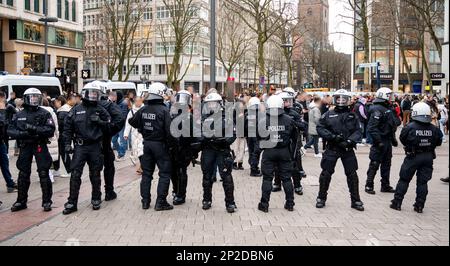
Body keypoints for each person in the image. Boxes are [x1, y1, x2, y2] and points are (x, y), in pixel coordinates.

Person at [62, 86, 111, 215]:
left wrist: (100, 122)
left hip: (95, 146)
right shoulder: (76, 109)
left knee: (95, 174)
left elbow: (109, 127)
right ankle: (72, 202)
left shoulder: (101, 110)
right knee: (75, 175)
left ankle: (96, 198)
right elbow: (67, 128)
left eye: (96, 94)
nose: (93, 96)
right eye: (91, 93)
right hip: (80, 146)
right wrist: (67, 144)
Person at [315, 89, 365, 211]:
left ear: (348, 100)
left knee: (352, 175)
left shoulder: (353, 115)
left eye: (344, 98)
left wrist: (350, 141)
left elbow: (358, 131)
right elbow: (320, 128)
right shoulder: (328, 114)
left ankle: (356, 200)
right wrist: (333, 137)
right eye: (339, 98)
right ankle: (321, 198)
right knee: (325, 173)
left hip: (347, 148)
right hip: (332, 147)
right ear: (335, 99)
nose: (341, 101)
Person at [7, 88, 56, 212]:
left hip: (40, 144)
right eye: (32, 97)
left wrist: (35, 129)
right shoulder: (19, 114)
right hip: (25, 145)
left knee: (44, 173)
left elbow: (50, 130)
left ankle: (47, 201)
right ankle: (21, 201)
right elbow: (10, 130)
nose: (34, 99)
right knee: (23, 174)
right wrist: (22, 134)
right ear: (26, 98)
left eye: (36, 97)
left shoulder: (45, 113)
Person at [128, 83, 174, 211]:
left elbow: (132, 121)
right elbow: (170, 132)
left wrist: (143, 128)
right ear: (160, 93)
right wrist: (172, 146)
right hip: (160, 146)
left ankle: (145, 201)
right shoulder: (164, 110)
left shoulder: (143, 109)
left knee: (147, 174)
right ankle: (161, 202)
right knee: (164, 173)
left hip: (147, 145)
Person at [390, 102, 443, 213]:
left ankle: (397, 202)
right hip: (428, 157)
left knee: (404, 180)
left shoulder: (409, 127)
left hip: (413, 156)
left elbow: (403, 139)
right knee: (423, 183)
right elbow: (438, 142)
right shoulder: (434, 128)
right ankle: (419, 205)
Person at [257, 94, 296, 213]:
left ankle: (264, 204)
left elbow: (259, 137)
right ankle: (290, 203)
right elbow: (294, 137)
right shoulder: (289, 120)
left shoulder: (263, 120)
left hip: (269, 151)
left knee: (267, 178)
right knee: (287, 178)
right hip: (284, 151)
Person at [200, 92, 237, 213]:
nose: (211, 106)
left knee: (226, 177)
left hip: (222, 150)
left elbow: (233, 134)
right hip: (208, 150)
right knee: (207, 176)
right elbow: (197, 134)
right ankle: (206, 200)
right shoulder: (203, 118)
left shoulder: (226, 117)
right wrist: (205, 138)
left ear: (219, 104)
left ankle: (230, 203)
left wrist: (225, 141)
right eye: (209, 104)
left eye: (213, 104)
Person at [365, 87, 401, 195]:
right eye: (389, 95)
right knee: (374, 163)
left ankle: (385, 185)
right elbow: (372, 127)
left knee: (387, 164)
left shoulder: (388, 108)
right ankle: (369, 185)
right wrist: (378, 141)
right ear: (384, 96)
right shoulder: (377, 109)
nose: (391, 97)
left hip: (387, 140)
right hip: (380, 141)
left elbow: (395, 123)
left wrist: (393, 139)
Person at [169, 90, 201, 205]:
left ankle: (181, 195)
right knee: (173, 171)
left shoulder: (189, 117)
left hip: (184, 149)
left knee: (181, 172)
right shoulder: (171, 115)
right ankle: (175, 190)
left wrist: (194, 149)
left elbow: (195, 134)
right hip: (173, 149)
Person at [272, 90, 308, 196]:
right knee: (277, 165)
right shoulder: (275, 113)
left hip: (292, 143)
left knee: (294, 166)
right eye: (285, 101)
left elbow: (303, 126)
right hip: (279, 142)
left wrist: (293, 123)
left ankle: (297, 185)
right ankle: (277, 183)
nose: (287, 103)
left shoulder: (294, 113)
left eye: (289, 101)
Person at [97, 86, 125, 202]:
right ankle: (108, 191)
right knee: (108, 166)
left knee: (95, 169)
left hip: (93, 142)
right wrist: (109, 130)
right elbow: (120, 119)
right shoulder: (108, 105)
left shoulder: (84, 106)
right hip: (104, 141)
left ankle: (96, 195)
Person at [124, 96, 145, 175]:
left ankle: (142, 167)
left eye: (139, 101)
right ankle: (140, 165)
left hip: (142, 133)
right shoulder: (131, 111)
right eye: (136, 101)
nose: (138, 103)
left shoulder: (144, 109)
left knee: (142, 150)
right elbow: (128, 123)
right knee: (136, 150)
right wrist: (126, 134)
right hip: (134, 133)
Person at [0, 96, 17, 193]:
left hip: (1, 141)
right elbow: (1, 123)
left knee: (4, 163)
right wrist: (2, 111)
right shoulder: (2, 110)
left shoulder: (8, 107)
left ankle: (10, 184)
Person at [55, 95, 74, 178]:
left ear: (59, 102)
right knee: (59, 152)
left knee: (63, 153)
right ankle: (56, 169)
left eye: (55, 102)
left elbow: (61, 125)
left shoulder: (62, 112)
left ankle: (69, 170)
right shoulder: (66, 109)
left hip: (62, 135)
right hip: (64, 135)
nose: (55, 104)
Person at [41, 98, 59, 183]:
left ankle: (44, 174)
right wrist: (57, 136)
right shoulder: (52, 112)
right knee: (51, 157)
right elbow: (55, 125)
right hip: (52, 137)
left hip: (41, 137)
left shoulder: (38, 111)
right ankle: (50, 175)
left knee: (41, 157)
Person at [245, 97, 263, 177]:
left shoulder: (247, 114)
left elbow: (243, 125)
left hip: (249, 135)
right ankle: (254, 169)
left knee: (251, 150)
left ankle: (252, 165)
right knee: (256, 152)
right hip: (257, 135)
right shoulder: (260, 114)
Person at [112, 91, 129, 161]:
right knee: (113, 140)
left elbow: (124, 115)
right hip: (115, 124)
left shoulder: (123, 103)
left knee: (122, 140)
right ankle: (120, 152)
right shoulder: (115, 103)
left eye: (115, 96)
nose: (114, 97)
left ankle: (121, 154)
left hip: (121, 125)